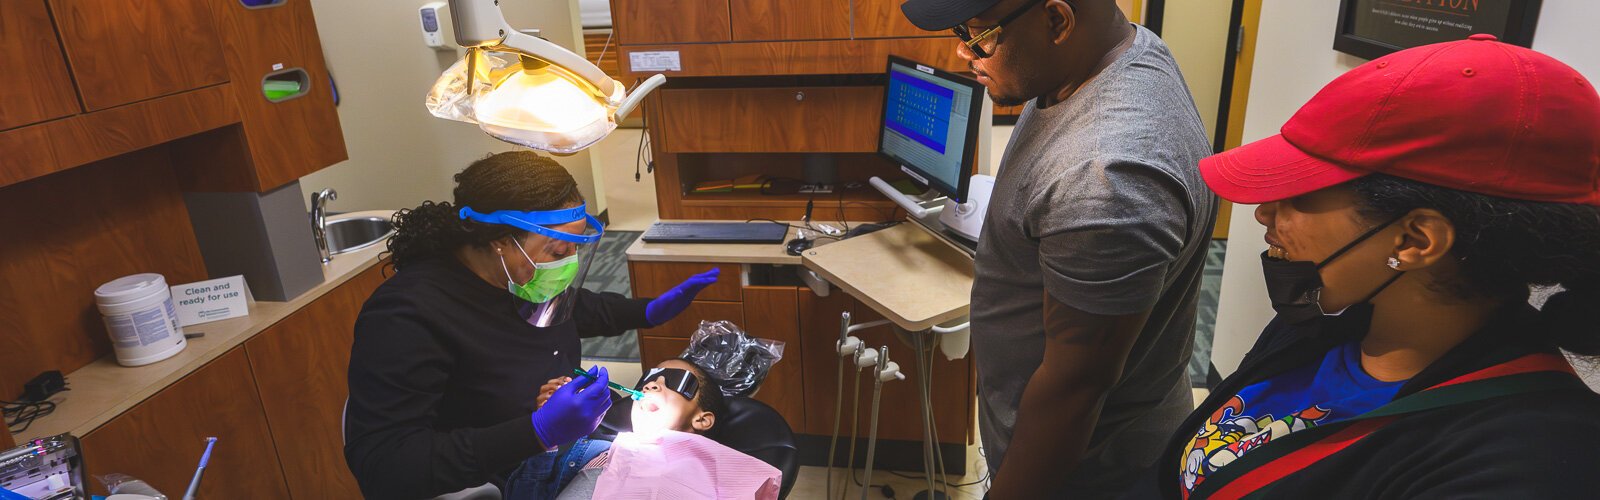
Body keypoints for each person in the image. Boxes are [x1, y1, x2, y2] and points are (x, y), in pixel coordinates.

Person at [1138, 36, 1600, 498]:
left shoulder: (1527, 464)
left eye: (1299, 194)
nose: (1264, 213)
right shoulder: (1326, 321)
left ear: (1417, 239)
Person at [898, 0, 1216, 496]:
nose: (962, 51)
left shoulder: (1106, 177)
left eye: (978, 34)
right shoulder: (1114, 51)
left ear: (1056, 21)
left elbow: (1074, 394)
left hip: (1079, 473)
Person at [343, 151, 721, 499]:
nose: (569, 263)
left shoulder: (520, 277)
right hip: (493, 479)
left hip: (557, 448)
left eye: (575, 249)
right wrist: (537, 431)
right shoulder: (407, 315)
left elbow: (572, 309)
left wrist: (647, 311)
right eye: (558, 251)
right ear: (501, 241)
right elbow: (386, 466)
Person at [506, 358, 781, 500]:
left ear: (702, 419)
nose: (651, 385)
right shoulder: (596, 451)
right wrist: (546, 435)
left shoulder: (720, 470)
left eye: (674, 380)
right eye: (647, 379)